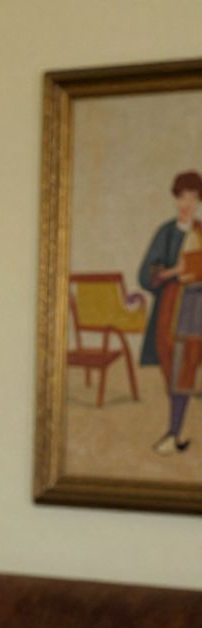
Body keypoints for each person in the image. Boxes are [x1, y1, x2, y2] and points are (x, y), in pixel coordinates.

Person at [137, 170, 202, 455]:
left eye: (192, 198)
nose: (186, 204)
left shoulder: (201, 231)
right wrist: (174, 272)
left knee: (186, 370)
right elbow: (145, 274)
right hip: (170, 311)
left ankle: (174, 433)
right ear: (176, 199)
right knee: (172, 370)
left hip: (198, 310)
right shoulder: (166, 232)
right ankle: (173, 433)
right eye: (182, 198)